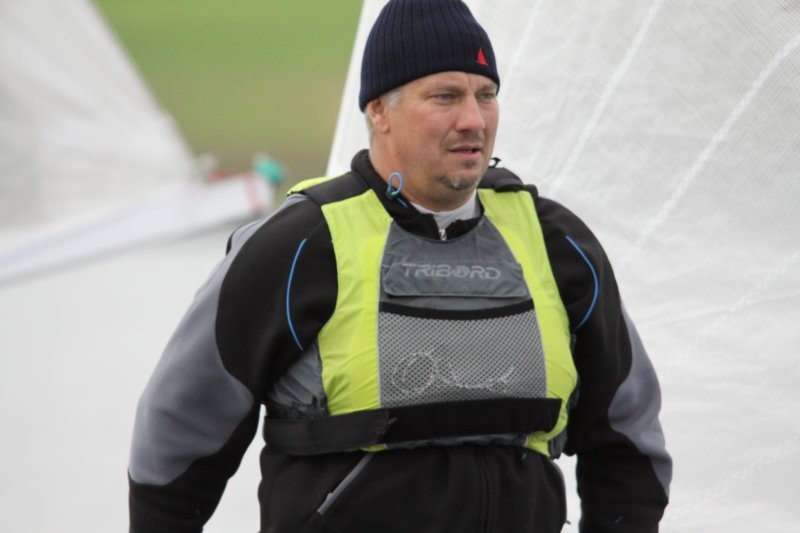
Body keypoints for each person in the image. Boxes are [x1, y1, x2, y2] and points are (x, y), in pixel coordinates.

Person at [128, 0, 672, 531]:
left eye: (486, 95)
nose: (473, 120)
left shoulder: (557, 243)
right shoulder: (298, 245)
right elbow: (182, 428)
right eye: (445, 96)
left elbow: (628, 438)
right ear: (379, 111)